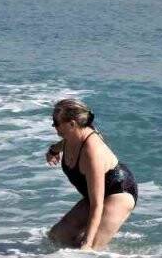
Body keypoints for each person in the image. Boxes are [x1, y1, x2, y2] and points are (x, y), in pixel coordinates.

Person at [44, 98, 138, 250]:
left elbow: (96, 204)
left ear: (72, 124)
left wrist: (86, 243)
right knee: (57, 236)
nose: (54, 126)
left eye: (56, 123)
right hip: (96, 193)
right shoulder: (71, 135)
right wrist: (53, 150)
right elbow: (63, 144)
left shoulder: (91, 152)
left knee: (87, 248)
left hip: (119, 191)